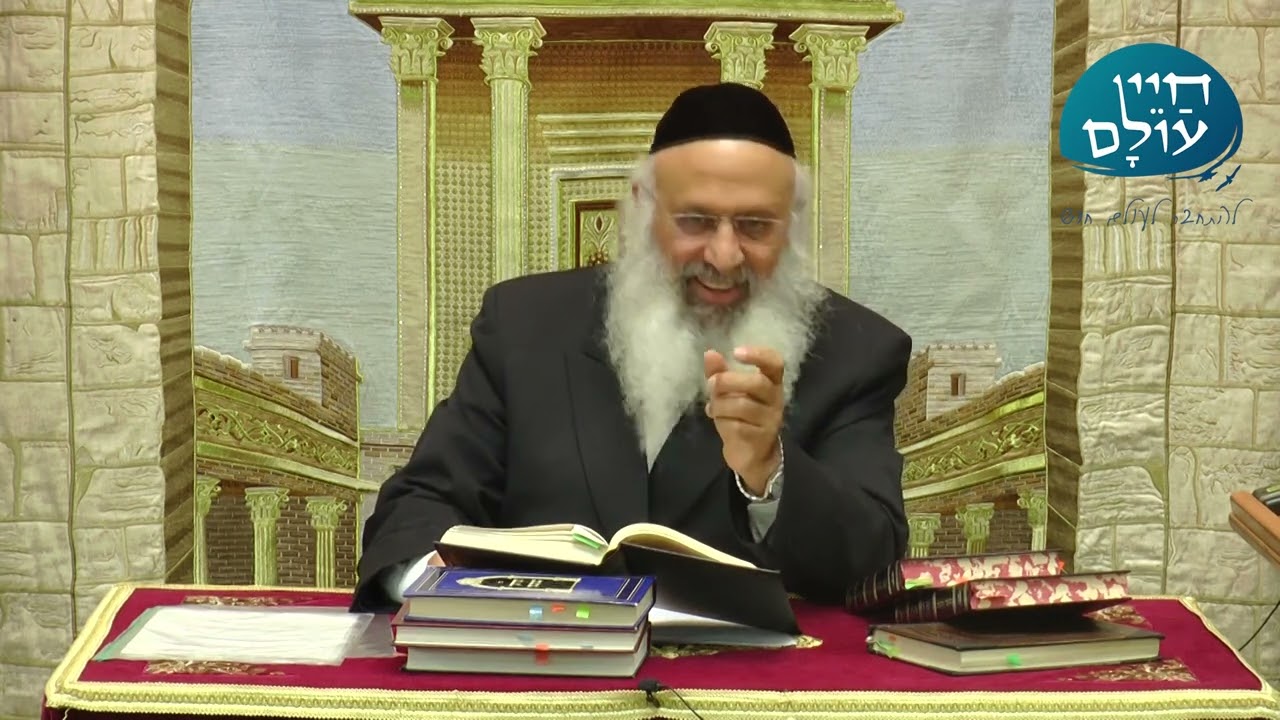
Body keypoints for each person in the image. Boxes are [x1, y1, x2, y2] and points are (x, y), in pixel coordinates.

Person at [352, 82, 911, 614]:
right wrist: (445, 588)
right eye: (696, 221)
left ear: (790, 224)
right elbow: (421, 503)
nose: (724, 256)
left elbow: (874, 560)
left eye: (755, 226)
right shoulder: (525, 325)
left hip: (745, 678)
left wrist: (769, 468)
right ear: (644, 207)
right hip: (540, 663)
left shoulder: (855, 352)